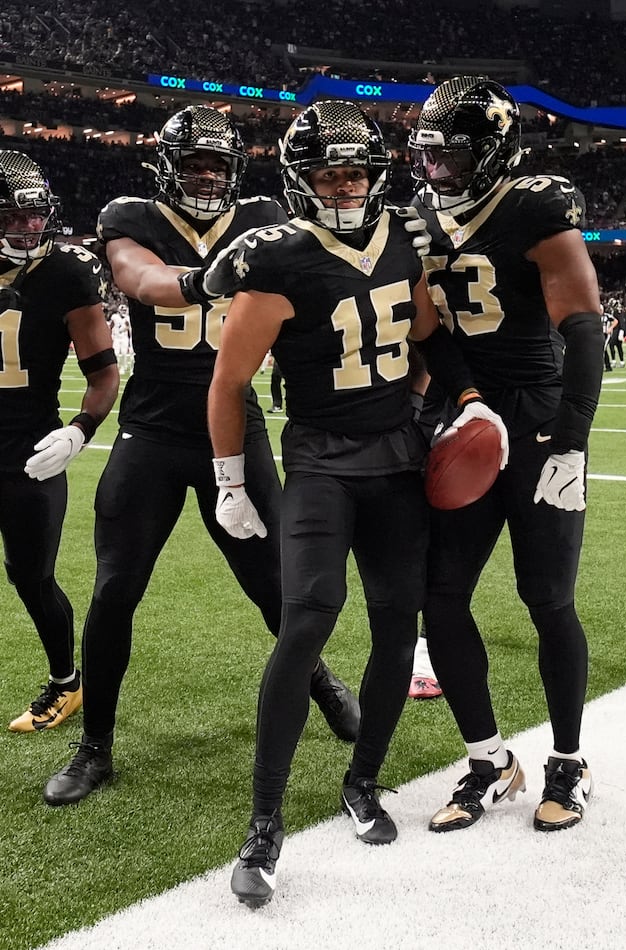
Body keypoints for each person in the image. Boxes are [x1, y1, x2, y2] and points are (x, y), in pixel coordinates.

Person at [207, 100, 506, 907]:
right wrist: (231, 479)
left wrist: (465, 396)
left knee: (393, 624)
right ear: (300, 181)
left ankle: (361, 778)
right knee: (306, 618)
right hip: (320, 460)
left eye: (354, 172)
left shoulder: (405, 236)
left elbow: (428, 333)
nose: (343, 186)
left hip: (397, 457)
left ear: (376, 174)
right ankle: (263, 823)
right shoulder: (280, 258)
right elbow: (229, 380)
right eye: (327, 174)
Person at [43, 105, 360, 808]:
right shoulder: (132, 215)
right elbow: (137, 276)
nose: (209, 176)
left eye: (219, 165)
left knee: (278, 587)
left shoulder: (263, 213)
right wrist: (209, 279)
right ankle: (95, 745)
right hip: (153, 430)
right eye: (196, 165)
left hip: (235, 427)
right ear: (168, 169)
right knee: (115, 590)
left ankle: (320, 680)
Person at [409, 75, 602, 834]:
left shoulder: (534, 205)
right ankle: (489, 760)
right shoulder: (418, 215)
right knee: (442, 595)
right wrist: (445, 403)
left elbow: (583, 325)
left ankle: (568, 760)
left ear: (492, 153)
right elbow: (423, 331)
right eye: (430, 155)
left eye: (453, 156)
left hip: (535, 414)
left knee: (547, 595)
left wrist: (573, 440)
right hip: (459, 414)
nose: (437, 171)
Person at [0, 150, 119, 733]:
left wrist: (79, 431)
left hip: (27, 452)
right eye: (11, 216)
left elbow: (103, 373)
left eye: (34, 215)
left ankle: (66, 683)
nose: (29, 227)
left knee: (30, 575)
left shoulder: (67, 272)